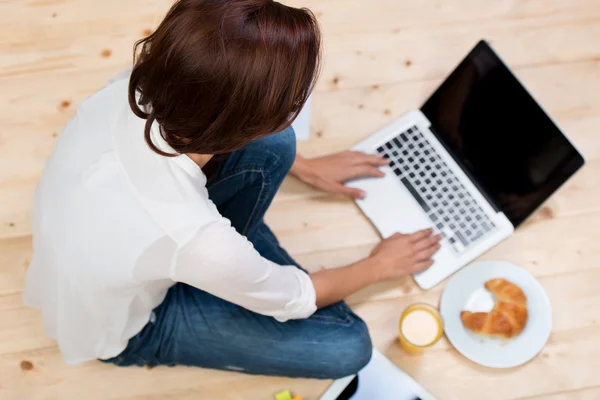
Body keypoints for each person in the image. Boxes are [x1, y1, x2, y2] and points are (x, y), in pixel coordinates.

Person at [23, 0, 441, 379]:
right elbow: (295, 298)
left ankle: (233, 271)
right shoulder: (195, 237)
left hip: (104, 250)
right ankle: (227, 276)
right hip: (127, 327)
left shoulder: (139, 83)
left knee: (279, 146)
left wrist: (306, 167)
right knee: (348, 347)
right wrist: (379, 266)